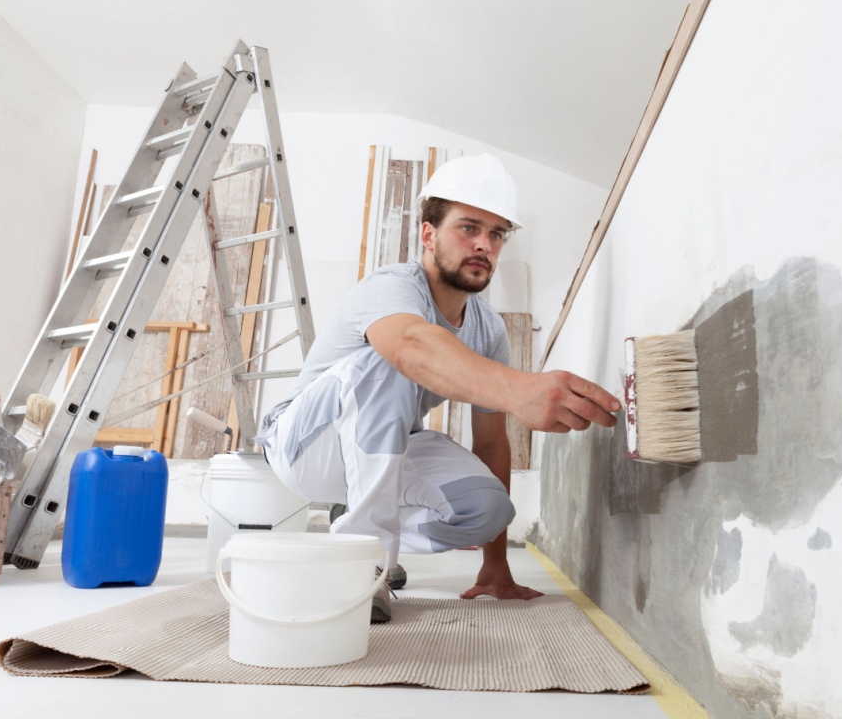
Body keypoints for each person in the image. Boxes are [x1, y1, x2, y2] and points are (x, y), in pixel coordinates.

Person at [255, 153, 620, 622]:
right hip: (304, 447)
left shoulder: (488, 330)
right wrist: (516, 389)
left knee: (489, 508)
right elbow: (409, 345)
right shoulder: (392, 287)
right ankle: (363, 565)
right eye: (468, 228)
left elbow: (491, 445)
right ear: (428, 235)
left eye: (496, 234)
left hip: (379, 454)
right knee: (388, 361)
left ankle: (357, 529)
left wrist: (495, 565)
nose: (484, 244)